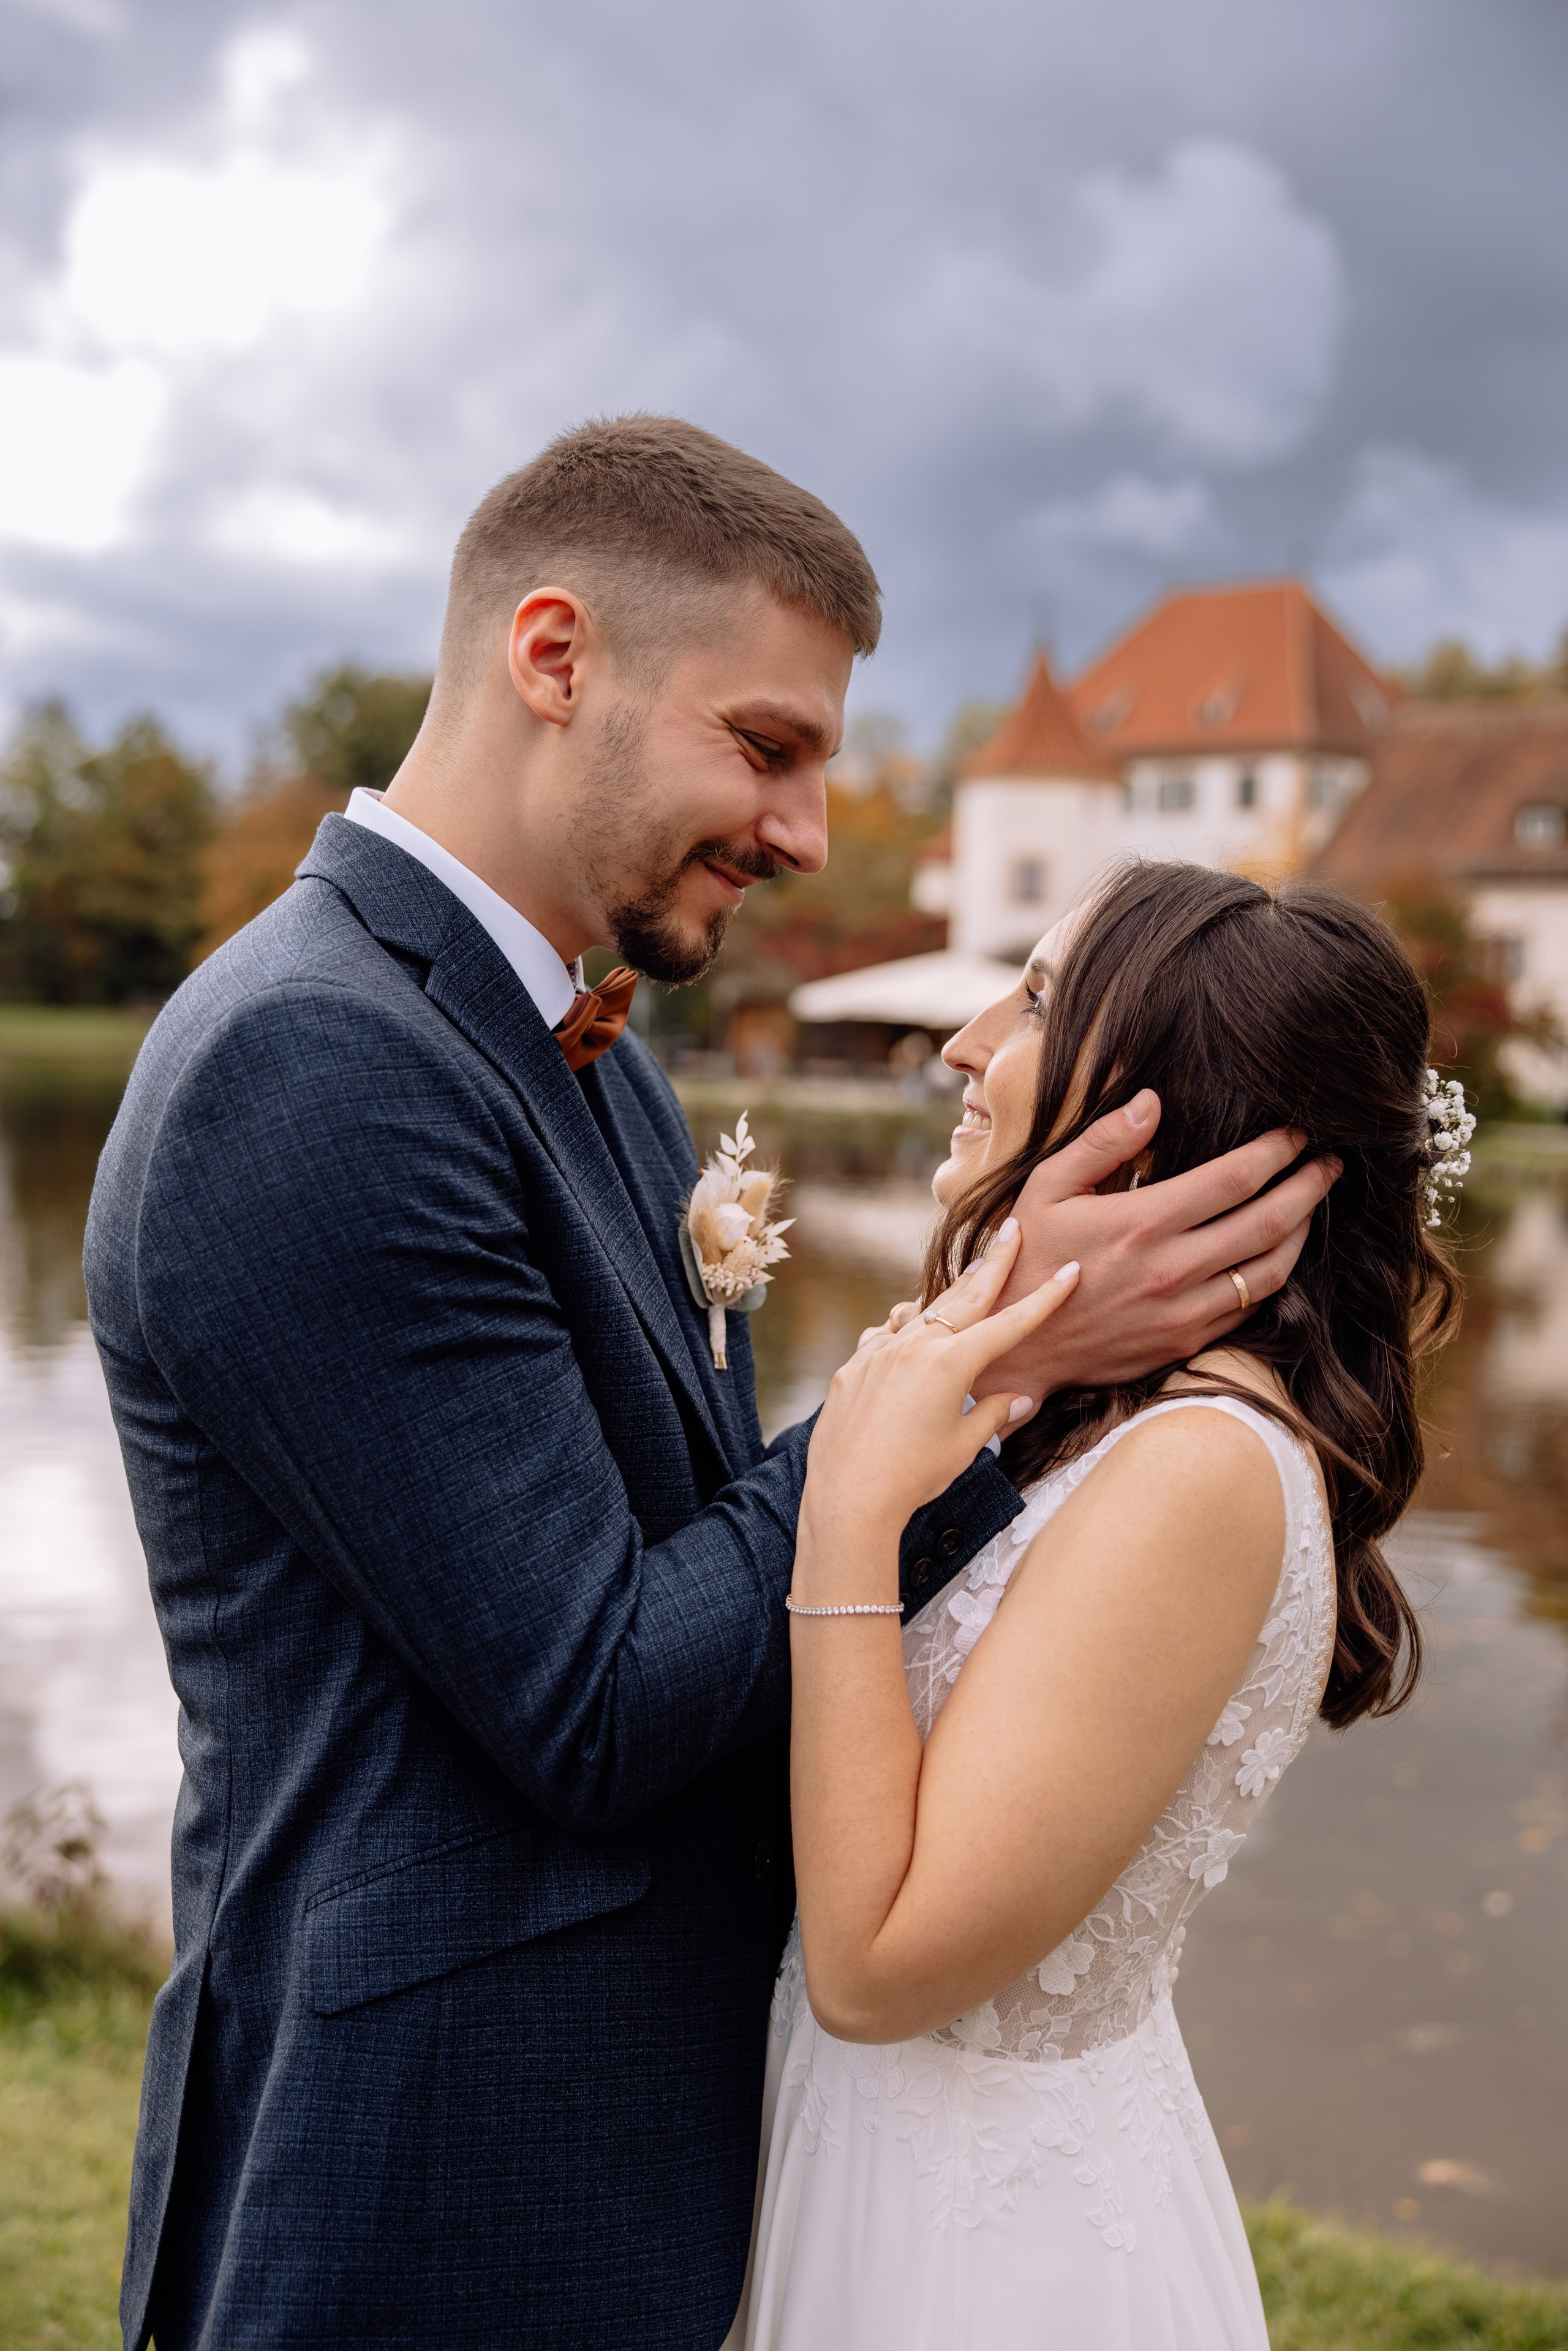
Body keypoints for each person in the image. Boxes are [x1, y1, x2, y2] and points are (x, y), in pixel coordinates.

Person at [85, 418, 1333, 2351]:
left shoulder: (593, 1046)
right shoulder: (313, 1065)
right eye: (770, 745)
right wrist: (983, 1362)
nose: (814, 831)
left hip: (641, 2167)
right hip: (443, 2190)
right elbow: (593, 1691)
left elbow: (700, 1564)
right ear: (555, 655)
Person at [727, 860, 1461, 2351]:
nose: (963, 1040)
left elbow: (876, 1967)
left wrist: (851, 1516)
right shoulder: (1076, 1412)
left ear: (1172, 1113)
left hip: (980, 2246)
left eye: (1042, 998)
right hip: (869, 2161)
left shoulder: (1192, 1471)